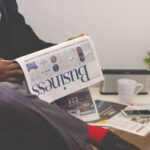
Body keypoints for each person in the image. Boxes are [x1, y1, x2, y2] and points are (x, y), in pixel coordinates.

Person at [0, 0, 140, 150]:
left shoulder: (7, 4)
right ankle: (101, 137)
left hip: (22, 101)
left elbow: (32, 47)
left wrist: (66, 51)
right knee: (4, 91)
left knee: (52, 131)